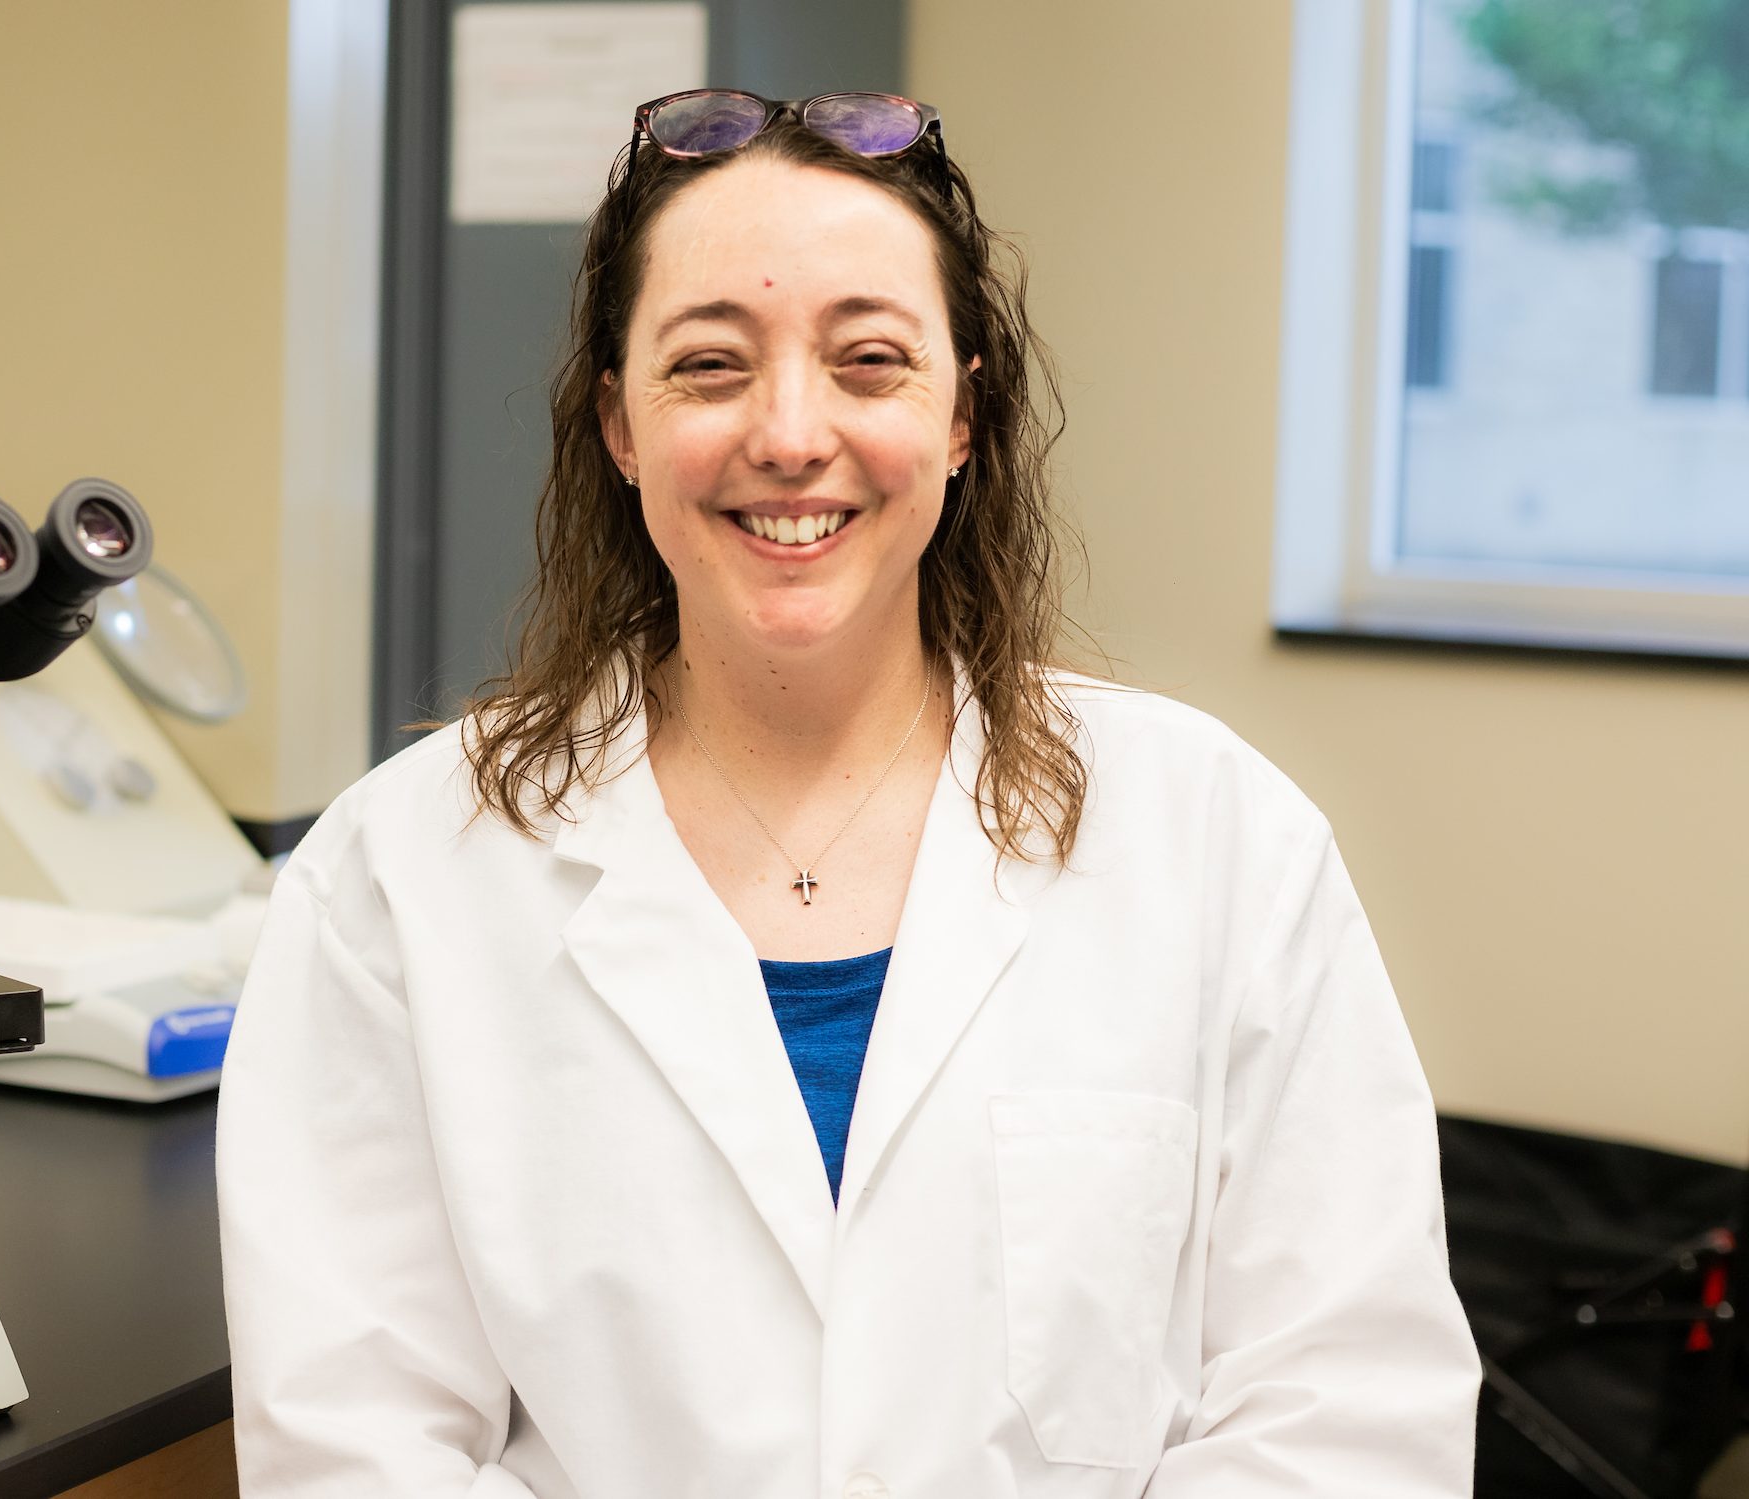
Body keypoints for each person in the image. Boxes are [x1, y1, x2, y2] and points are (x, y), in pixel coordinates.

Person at [217, 89, 1480, 1496]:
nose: (791, 433)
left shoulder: (1218, 842)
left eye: (870, 360)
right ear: (618, 424)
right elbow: (355, 1449)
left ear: (958, 416)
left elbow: (1352, 1412)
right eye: (709, 366)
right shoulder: (401, 876)